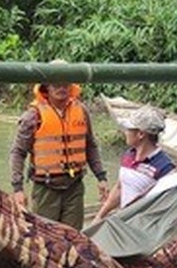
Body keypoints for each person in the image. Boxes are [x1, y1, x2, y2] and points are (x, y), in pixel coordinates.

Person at [93, 105, 177, 268]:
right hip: (125, 232)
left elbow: (169, 205)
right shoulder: (128, 156)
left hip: (148, 236)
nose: (125, 132)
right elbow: (119, 189)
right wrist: (101, 216)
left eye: (129, 129)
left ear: (141, 134)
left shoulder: (165, 167)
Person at [10, 73, 109, 229]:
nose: (61, 88)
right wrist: (18, 189)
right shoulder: (33, 116)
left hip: (74, 186)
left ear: (71, 86)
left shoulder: (81, 111)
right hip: (46, 189)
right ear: (47, 87)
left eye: (65, 83)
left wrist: (101, 177)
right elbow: (18, 152)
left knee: (73, 236)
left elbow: (90, 145)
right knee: (46, 237)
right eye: (56, 84)